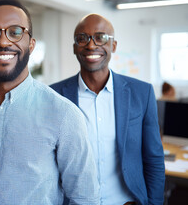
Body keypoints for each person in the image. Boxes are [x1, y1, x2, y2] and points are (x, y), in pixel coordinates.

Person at [0, 0, 99, 205]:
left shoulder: (63, 114)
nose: (3, 42)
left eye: (15, 32)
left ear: (31, 44)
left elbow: (84, 198)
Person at [51, 14, 165, 205]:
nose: (91, 45)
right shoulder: (54, 96)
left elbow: (153, 158)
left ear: (113, 45)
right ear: (74, 47)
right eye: (82, 38)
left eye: (101, 37)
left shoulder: (141, 93)